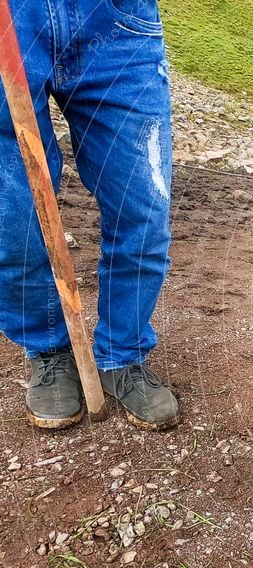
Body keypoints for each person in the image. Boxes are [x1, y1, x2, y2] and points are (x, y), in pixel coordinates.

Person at [0, 0, 178, 430]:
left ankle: (123, 354)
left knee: (144, 208)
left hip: (117, 21)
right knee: (14, 224)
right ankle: (49, 351)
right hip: (11, 17)